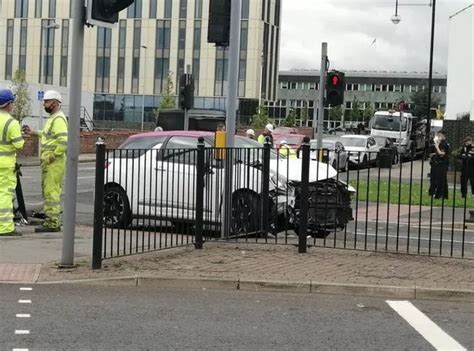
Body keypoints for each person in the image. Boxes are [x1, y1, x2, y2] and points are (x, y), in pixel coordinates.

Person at [23, 90, 68, 232]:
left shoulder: (59, 119)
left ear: (54, 103)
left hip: (54, 163)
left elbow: (63, 142)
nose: (44, 105)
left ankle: (53, 223)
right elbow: (48, 134)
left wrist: (52, 156)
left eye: (46, 102)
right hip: (49, 163)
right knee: (48, 192)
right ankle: (50, 220)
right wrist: (34, 132)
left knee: (52, 192)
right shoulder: (53, 118)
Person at [0, 89, 24, 236]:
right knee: (5, 194)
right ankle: (6, 227)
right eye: (13, 102)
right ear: (8, 103)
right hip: (5, 165)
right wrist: (23, 137)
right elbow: (18, 144)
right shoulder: (12, 122)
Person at [429, 130, 450, 199]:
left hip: (442, 164)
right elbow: (437, 153)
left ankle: (441, 195)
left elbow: (442, 153)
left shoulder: (445, 144)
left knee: (441, 180)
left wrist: (437, 146)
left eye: (439, 135)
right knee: (435, 179)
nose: (438, 137)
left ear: (443, 136)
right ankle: (435, 193)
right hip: (436, 163)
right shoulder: (440, 143)